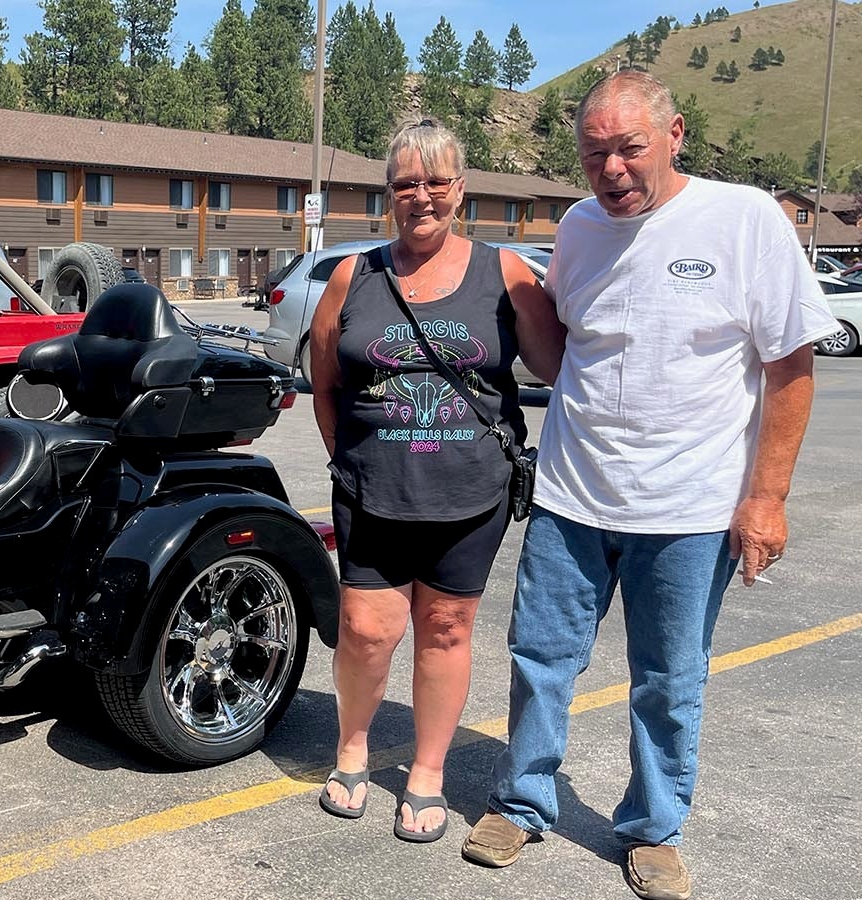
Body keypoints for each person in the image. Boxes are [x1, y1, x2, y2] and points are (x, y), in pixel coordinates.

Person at [461, 71, 839, 900]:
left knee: (670, 678)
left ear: (674, 136)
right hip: (572, 493)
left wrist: (766, 498)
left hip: (692, 506)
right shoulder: (579, 228)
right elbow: (563, 351)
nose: (613, 170)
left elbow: (792, 366)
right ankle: (522, 802)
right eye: (595, 153)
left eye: (630, 148)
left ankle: (653, 827)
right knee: (540, 659)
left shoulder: (744, 220)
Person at [307, 119, 564, 843]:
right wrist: (344, 455)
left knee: (446, 629)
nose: (421, 197)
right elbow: (324, 378)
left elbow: (558, 365)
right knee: (363, 630)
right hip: (371, 488)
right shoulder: (354, 276)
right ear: (387, 194)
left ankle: (426, 773)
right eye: (405, 184)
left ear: (461, 188)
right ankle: (352, 748)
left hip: (468, 493)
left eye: (436, 181)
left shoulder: (506, 273)